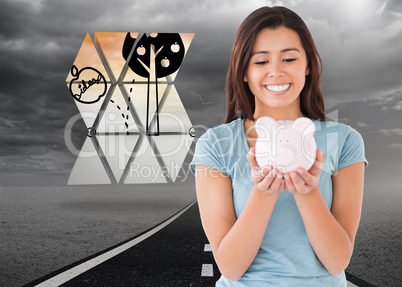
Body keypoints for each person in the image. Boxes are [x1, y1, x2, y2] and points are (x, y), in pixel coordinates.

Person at [190, 6, 368, 287]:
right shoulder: (215, 145)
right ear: (244, 71)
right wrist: (263, 192)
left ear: (307, 65)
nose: (276, 71)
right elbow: (231, 268)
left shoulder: (344, 140)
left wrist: (307, 192)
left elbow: (337, 262)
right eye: (260, 62)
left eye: (288, 58)